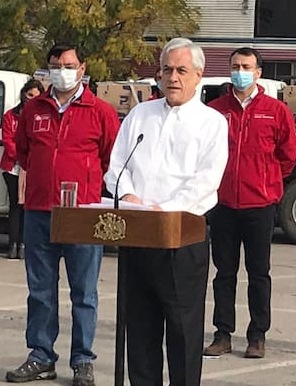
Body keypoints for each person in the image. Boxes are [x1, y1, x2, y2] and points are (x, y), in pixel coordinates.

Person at [104, 37, 228, 386]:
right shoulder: (140, 115)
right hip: (138, 236)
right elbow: (116, 165)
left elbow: (205, 182)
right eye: (166, 70)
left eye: (181, 71)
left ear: (198, 75)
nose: (172, 77)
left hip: (181, 238)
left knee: (183, 332)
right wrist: (127, 195)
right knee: (140, 331)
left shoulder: (211, 122)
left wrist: (165, 210)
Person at [6, 44, 120, 386]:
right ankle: (41, 355)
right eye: (55, 65)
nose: (62, 71)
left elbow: (110, 157)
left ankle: (83, 359)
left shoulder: (99, 111)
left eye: (68, 65)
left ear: (82, 68)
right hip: (41, 211)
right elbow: (24, 152)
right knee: (40, 290)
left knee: (84, 293)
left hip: (83, 214)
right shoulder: (34, 109)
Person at [203, 47, 296, 359]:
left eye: (246, 66)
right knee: (224, 273)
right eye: (235, 65)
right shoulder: (215, 110)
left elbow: (287, 155)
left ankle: (257, 335)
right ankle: (222, 333)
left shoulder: (275, 110)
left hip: (260, 204)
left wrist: (266, 180)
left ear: (258, 73)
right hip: (223, 205)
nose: (239, 71)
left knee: (259, 273)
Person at [0, 79, 44, 260]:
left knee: (28, 208)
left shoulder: (41, 116)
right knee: (15, 207)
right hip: (13, 167)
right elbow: (8, 139)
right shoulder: (11, 116)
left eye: (36, 96)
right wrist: (21, 155)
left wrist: (32, 158)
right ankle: (12, 245)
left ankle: (25, 244)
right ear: (23, 94)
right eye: (30, 95)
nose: (32, 99)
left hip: (33, 168)